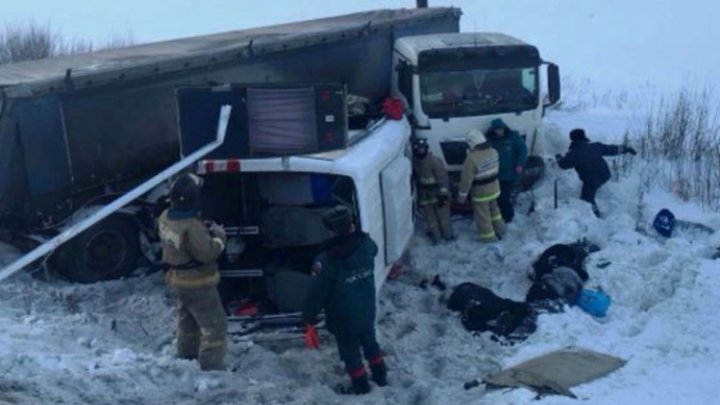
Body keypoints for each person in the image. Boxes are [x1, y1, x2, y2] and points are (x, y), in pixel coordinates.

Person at [302, 206, 387, 395]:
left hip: (343, 317)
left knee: (350, 353)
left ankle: (361, 386)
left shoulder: (325, 261)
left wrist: (308, 318)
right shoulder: (366, 244)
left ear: (330, 231)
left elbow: (316, 293)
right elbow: (374, 250)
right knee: (370, 342)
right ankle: (381, 376)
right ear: (351, 224)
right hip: (366, 308)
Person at [158, 173, 228, 371]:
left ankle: (186, 354)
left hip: (178, 279)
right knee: (215, 326)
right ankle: (211, 366)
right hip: (198, 282)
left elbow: (180, 241)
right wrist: (219, 237)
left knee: (188, 319)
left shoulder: (164, 217)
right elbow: (207, 254)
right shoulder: (193, 227)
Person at [556, 128, 637, 217]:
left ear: (572, 140)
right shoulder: (594, 146)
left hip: (591, 179)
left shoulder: (573, 154)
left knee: (587, 198)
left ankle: (596, 217)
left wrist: (558, 157)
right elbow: (612, 149)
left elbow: (563, 165)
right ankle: (597, 201)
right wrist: (626, 149)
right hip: (605, 174)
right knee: (591, 187)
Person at [457, 129, 505, 242]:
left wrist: (461, 198)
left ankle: (489, 238)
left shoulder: (471, 159)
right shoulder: (494, 151)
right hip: (494, 189)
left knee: (483, 217)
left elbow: (466, 181)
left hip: (481, 193)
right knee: (495, 211)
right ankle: (500, 229)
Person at [411, 137, 455, 244]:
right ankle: (436, 236)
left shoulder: (435, 161)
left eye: (422, 149)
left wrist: (443, 195)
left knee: (443, 216)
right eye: (418, 149)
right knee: (430, 218)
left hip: (438, 193)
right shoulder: (415, 162)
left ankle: (448, 235)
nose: (421, 151)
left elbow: (443, 179)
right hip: (425, 195)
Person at [486, 118, 528, 223]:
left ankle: (508, 216)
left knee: (503, 197)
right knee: (497, 196)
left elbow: (522, 150)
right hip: (495, 174)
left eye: (500, 129)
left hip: (509, 174)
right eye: (496, 130)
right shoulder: (490, 139)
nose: (499, 131)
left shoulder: (513, 137)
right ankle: (499, 215)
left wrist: (520, 164)